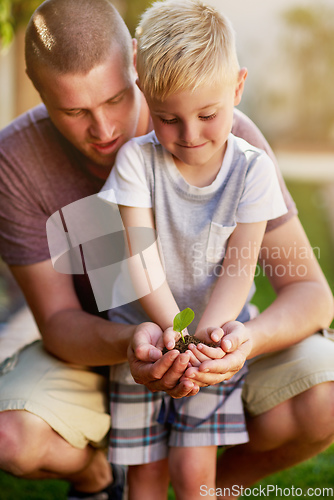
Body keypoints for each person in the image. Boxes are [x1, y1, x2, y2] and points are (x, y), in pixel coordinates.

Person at [0, 0, 332, 498]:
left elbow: (306, 290)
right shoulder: (29, 161)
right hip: (111, 344)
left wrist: (233, 342)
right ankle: (97, 480)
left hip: (205, 336)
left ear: (135, 64)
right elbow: (64, 318)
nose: (104, 129)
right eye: (74, 111)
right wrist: (151, 339)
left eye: (114, 99)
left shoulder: (235, 145)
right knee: (17, 440)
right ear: (37, 89)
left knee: (319, 400)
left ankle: (217, 489)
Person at [99, 2, 287, 497]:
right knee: (145, 475)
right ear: (145, 95)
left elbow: (241, 265)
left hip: (213, 340)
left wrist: (209, 337)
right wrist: (172, 335)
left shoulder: (252, 169)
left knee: (194, 473)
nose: (190, 136)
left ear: (238, 88)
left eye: (207, 114)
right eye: (168, 119)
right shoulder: (137, 163)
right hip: (146, 338)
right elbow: (141, 258)